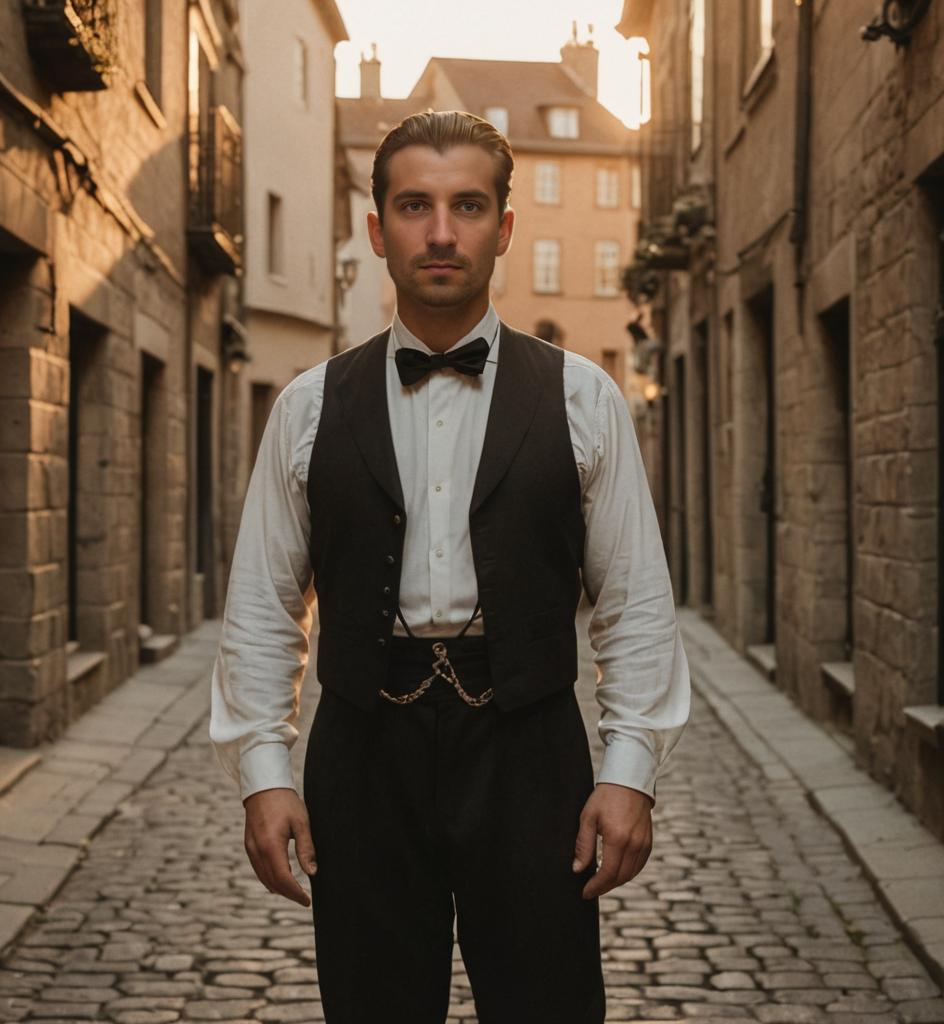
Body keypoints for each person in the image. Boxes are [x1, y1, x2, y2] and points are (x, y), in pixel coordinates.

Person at [210, 110, 690, 1024]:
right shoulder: (309, 407)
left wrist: (629, 772)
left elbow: (635, 601)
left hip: (531, 751)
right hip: (361, 756)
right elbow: (265, 607)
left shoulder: (583, 396)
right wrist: (264, 775)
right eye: (414, 206)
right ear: (376, 228)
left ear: (504, 228)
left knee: (547, 1005)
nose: (440, 232)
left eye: (467, 206)